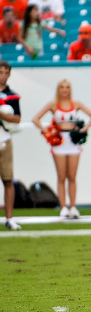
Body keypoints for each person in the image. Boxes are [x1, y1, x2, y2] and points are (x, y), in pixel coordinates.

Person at [31, 79, 91, 219]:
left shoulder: (77, 104)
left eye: (67, 87)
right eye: (62, 87)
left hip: (73, 143)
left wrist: (83, 129)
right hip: (59, 143)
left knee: (72, 177)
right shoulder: (53, 104)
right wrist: (47, 131)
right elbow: (35, 119)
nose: (64, 90)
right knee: (61, 176)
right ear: (58, 89)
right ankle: (63, 207)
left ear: (70, 89)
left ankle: (73, 206)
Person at [0, 61, 21, 230]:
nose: (2, 75)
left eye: (5, 72)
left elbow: (17, 119)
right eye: (0, 72)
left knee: (8, 179)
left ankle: (9, 218)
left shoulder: (12, 96)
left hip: (5, 139)